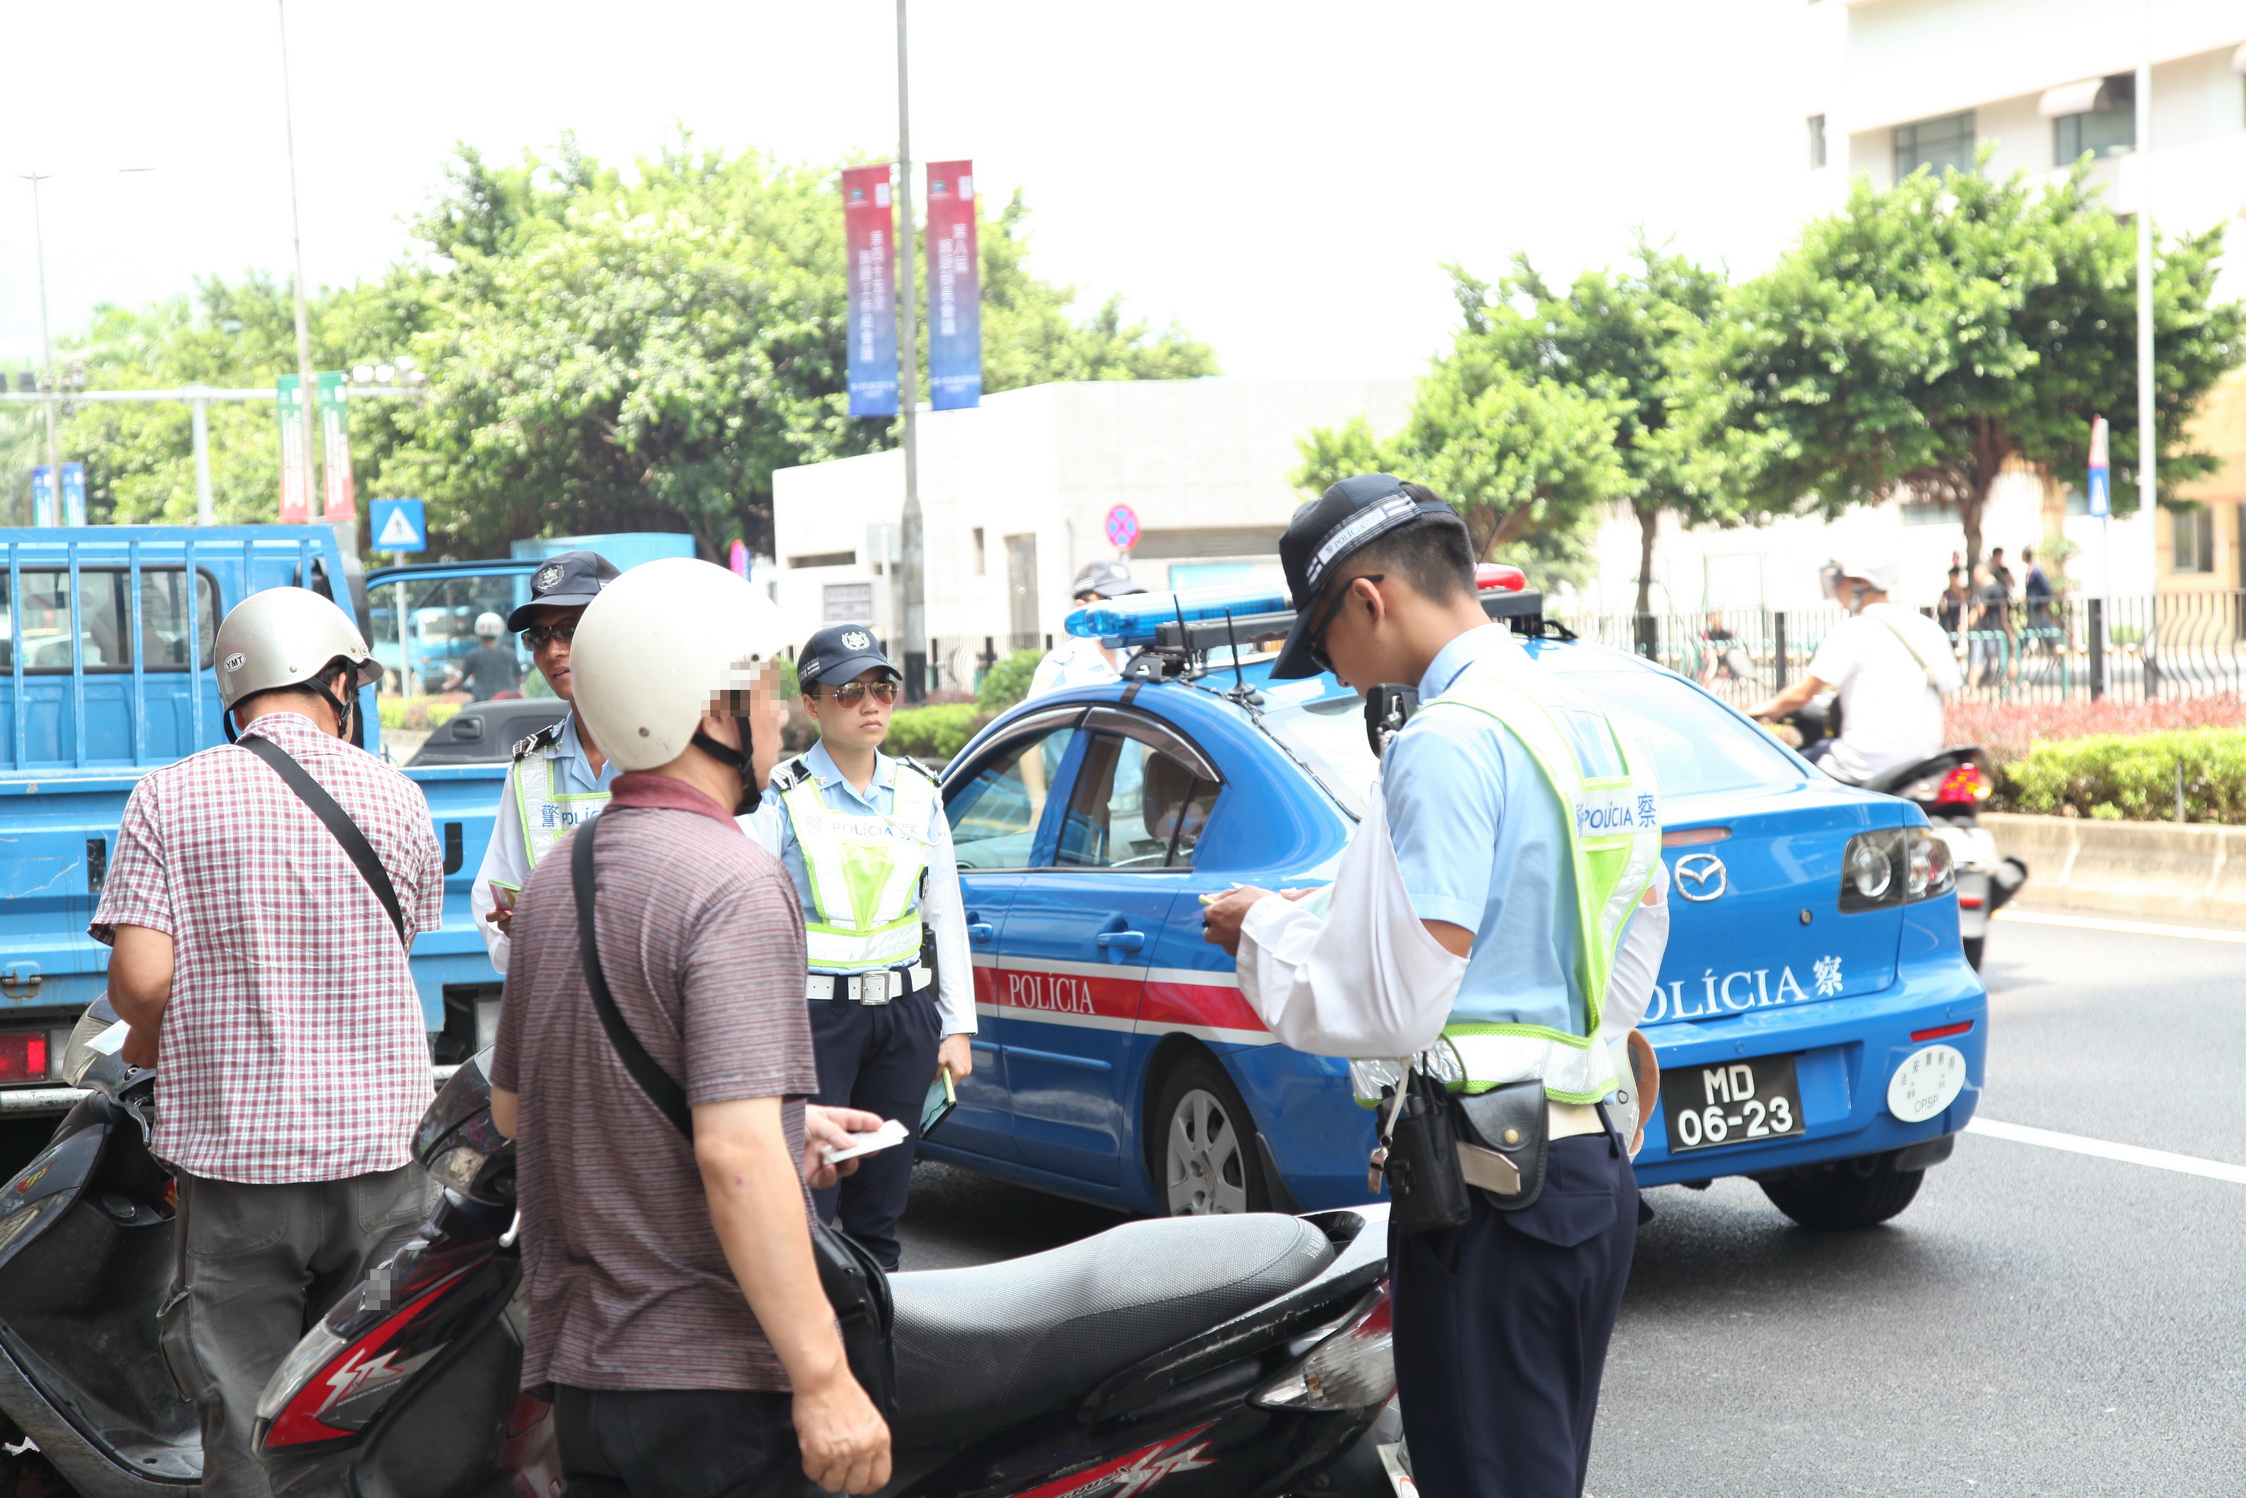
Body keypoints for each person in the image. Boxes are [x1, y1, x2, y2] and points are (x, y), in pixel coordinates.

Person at [1200, 475, 1669, 1498]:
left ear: (1368, 598)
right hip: (1588, 1171)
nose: (1330, 666)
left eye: (1321, 639)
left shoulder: (1449, 739)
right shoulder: (1590, 722)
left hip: (1490, 1193)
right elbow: (1637, 928)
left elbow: (1394, 1002)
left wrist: (1262, 931)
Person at [489, 559, 891, 1498]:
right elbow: (737, 1158)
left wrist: (788, 1124)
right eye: (766, 693)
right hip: (714, 1385)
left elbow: (515, 1112)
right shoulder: (735, 880)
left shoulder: (557, 875)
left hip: (585, 1379)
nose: (781, 718)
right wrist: (824, 1380)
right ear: (712, 710)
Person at [90, 587, 444, 1498]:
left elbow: (139, 985)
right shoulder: (399, 797)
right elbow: (395, 945)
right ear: (336, 682)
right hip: (382, 1155)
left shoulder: (169, 796)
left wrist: (162, 1040)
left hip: (238, 1165)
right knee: (370, 1406)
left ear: (235, 691)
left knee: (247, 1414)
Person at [747, 624, 975, 1271]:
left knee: (882, 1209)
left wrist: (956, 1026)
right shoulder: (780, 794)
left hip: (903, 1019)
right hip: (815, 1021)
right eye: (849, 692)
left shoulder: (919, 791)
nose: (871, 704)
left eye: (883, 689)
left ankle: (881, 1330)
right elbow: (750, 920)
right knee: (809, 1206)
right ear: (812, 704)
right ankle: (815, 1330)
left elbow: (944, 916)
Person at [472, 550, 623, 973]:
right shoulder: (531, 767)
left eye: (571, 630)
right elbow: (494, 898)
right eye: (540, 636)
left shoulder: (676, 752)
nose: (553, 650)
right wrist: (515, 927)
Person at [1750, 558, 1962, 783]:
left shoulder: (1855, 629)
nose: (1836, 587)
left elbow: (1803, 694)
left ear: (1861, 583)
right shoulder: (1930, 629)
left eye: (1839, 580)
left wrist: (1760, 710)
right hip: (1923, 764)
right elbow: (1945, 696)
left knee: (1786, 773)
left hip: (1863, 765)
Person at [1025, 559, 1146, 700]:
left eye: (1125, 598)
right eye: (1109, 599)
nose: (1119, 608)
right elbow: (1037, 711)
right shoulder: (1061, 664)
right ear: (1081, 606)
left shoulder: (1130, 656)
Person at [462, 611, 522, 700]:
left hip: (482, 702)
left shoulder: (473, 655)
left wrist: (446, 686)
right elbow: (519, 678)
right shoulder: (510, 653)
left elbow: (462, 678)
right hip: (508, 700)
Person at [2022, 547, 2057, 654]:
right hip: (2032, 606)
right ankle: (2025, 648)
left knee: (2044, 627)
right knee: (2034, 627)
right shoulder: (2030, 570)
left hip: (2037, 605)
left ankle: (2055, 645)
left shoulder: (2036, 571)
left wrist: (2045, 603)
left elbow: (2046, 587)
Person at [1937, 567, 1970, 638]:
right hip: (1947, 620)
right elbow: (1943, 608)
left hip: (1957, 618)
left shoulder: (1961, 590)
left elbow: (1964, 600)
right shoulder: (1946, 592)